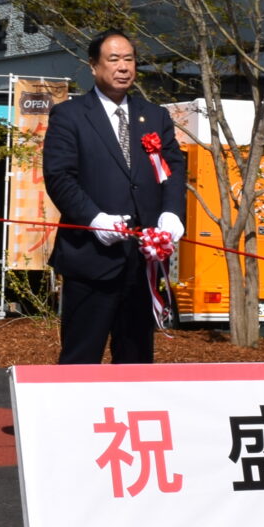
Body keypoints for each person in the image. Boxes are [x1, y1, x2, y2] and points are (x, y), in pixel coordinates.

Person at [43, 30, 186, 364]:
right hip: (91, 259)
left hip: (143, 262)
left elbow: (173, 169)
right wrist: (94, 219)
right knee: (81, 356)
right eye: (113, 59)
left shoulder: (154, 116)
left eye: (129, 59)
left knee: (136, 358)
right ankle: (77, 418)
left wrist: (172, 213)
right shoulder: (70, 114)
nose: (123, 67)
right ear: (94, 66)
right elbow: (59, 177)